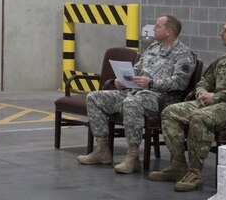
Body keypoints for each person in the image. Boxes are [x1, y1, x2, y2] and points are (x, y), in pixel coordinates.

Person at [148, 17, 226, 192]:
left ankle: (194, 173)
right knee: (170, 112)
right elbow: (204, 80)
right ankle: (178, 164)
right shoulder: (222, 60)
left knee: (200, 117)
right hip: (214, 104)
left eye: (225, 30)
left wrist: (216, 96)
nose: (221, 33)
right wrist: (202, 93)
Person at [78, 15, 196, 174]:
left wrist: (151, 83)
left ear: (169, 31)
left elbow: (180, 83)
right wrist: (124, 80)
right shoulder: (153, 48)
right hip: (135, 92)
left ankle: (133, 157)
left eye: (158, 26)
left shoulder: (184, 54)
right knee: (94, 97)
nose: (154, 29)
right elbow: (137, 69)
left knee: (132, 103)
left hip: (160, 99)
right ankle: (102, 150)